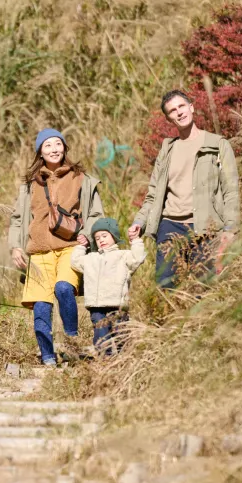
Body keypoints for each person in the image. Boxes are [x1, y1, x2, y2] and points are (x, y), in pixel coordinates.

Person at [8, 128, 104, 366]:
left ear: (65, 148)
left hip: (70, 246)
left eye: (57, 144)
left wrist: (87, 235)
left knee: (63, 289)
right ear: (40, 151)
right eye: (48, 145)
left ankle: (71, 341)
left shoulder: (81, 178)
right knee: (40, 306)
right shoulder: (30, 185)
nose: (53, 149)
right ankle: (48, 357)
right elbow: (18, 219)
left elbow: (95, 213)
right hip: (38, 250)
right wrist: (15, 247)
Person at [128, 90, 240, 289]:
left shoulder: (217, 144)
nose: (179, 112)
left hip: (206, 227)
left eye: (181, 106)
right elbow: (154, 192)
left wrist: (230, 228)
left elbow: (230, 190)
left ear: (191, 107)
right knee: (166, 289)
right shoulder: (168, 149)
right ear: (169, 118)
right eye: (172, 111)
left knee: (204, 290)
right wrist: (140, 221)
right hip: (170, 226)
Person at [70, 218, 145, 356]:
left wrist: (136, 241)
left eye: (105, 236)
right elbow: (75, 261)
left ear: (114, 236)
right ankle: (106, 362)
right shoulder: (91, 258)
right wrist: (82, 246)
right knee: (101, 338)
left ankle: (124, 361)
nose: (101, 240)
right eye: (97, 238)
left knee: (121, 336)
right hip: (96, 307)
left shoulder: (123, 255)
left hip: (117, 305)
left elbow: (137, 258)